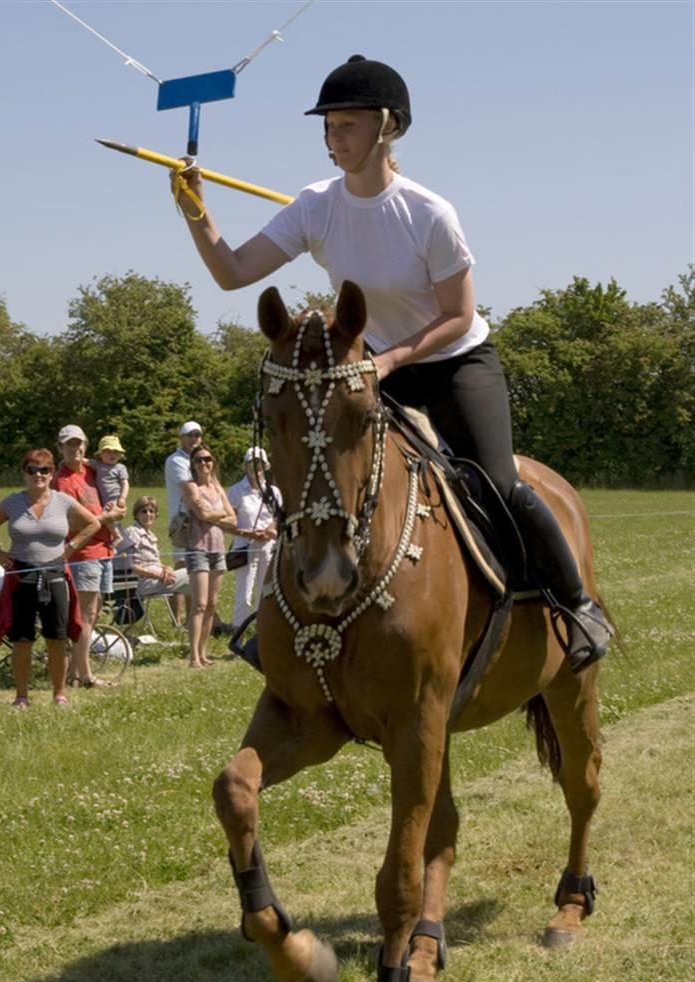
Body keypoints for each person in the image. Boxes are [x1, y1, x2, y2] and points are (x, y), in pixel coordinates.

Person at [170, 55, 612, 673]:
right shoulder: (313, 205)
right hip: (374, 368)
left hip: (455, 361)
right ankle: (289, 616)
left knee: (497, 480)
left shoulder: (429, 213)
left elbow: (459, 314)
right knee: (326, 475)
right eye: (328, 127)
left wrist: (391, 361)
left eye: (347, 125)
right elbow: (233, 272)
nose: (333, 137)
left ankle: (576, 605)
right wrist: (194, 209)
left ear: (387, 128)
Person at [0, 449, 100, 708]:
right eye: (32, 469)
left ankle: (59, 693)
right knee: (22, 639)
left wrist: (70, 548)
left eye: (44, 469)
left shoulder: (63, 501)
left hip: (55, 575)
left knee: (57, 637)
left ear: (52, 473)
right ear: (23, 473)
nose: (38, 475)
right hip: (21, 575)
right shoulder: (12, 503)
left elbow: (93, 523)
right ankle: (21, 696)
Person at [53, 424, 126, 687]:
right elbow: (73, 525)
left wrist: (120, 502)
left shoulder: (92, 470)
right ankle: (85, 676)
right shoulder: (61, 482)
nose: (76, 448)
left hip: (105, 549)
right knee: (86, 615)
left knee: (92, 615)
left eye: (79, 443)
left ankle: (75, 671)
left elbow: (115, 479)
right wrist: (111, 516)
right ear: (60, 448)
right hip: (83, 553)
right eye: (70, 444)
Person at [182, 444, 236, 668]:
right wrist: (220, 514)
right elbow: (201, 513)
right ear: (193, 465)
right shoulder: (189, 487)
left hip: (218, 549)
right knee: (200, 604)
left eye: (208, 459)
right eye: (199, 460)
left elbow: (233, 519)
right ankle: (193, 656)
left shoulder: (216, 487)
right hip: (198, 548)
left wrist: (214, 515)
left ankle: (204, 653)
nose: (204, 463)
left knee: (213, 604)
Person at [226, 447, 282, 629]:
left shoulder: (273, 491)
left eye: (260, 463)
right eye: (252, 462)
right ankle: (238, 633)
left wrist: (271, 528)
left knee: (264, 592)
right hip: (245, 546)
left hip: (267, 546)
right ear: (245, 465)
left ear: (265, 466)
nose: (256, 466)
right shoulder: (235, 491)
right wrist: (249, 533)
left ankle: (261, 632)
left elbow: (278, 517)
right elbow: (229, 522)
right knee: (244, 594)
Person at [164, 419, 203, 624]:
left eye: (197, 435)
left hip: (199, 522)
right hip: (182, 523)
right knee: (181, 569)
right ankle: (175, 620)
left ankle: (190, 619)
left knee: (194, 569)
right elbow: (191, 488)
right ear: (181, 438)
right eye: (190, 435)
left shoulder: (200, 459)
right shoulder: (175, 460)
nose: (194, 439)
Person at [124, 495, 191, 599]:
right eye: (143, 511)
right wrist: (157, 575)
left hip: (159, 580)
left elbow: (157, 562)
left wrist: (167, 568)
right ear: (136, 514)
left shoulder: (151, 536)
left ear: (156, 515)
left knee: (196, 584)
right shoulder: (132, 532)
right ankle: (205, 614)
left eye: (151, 511)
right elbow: (128, 565)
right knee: (194, 573)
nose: (148, 514)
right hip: (145, 584)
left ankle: (200, 612)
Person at [89, 433, 130, 541]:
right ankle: (115, 535)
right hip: (102, 499)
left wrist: (122, 498)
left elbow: (125, 483)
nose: (112, 454)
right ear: (100, 454)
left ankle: (117, 536)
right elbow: (84, 461)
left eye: (116, 452)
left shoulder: (120, 467)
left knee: (106, 517)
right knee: (107, 518)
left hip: (114, 498)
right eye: (108, 452)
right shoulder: (98, 465)